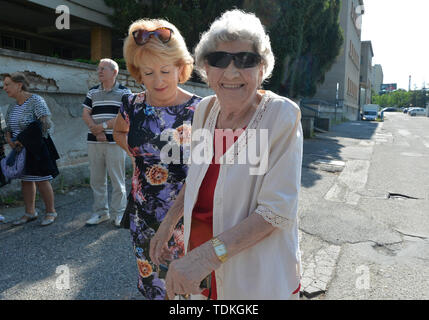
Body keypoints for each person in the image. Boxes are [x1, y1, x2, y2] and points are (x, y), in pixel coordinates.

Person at [150, 10, 303, 300]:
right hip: (202, 270)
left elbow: (275, 211)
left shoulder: (282, 116)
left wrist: (205, 257)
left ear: (262, 68)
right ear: (206, 69)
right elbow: (196, 177)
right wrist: (169, 222)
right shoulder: (206, 110)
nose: (231, 72)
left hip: (253, 275)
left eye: (246, 60)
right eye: (219, 60)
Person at [113, 18, 201, 300]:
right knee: (153, 287)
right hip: (144, 216)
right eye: (148, 73)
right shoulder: (132, 104)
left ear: (181, 67)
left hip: (187, 220)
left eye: (165, 70)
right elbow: (118, 130)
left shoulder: (200, 110)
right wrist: (137, 153)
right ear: (138, 72)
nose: (158, 81)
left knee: (186, 290)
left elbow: (207, 170)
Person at [3, 73, 59, 226]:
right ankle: (30, 212)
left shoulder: (36, 100)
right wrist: (9, 139)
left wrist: (25, 140)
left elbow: (46, 124)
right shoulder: (13, 106)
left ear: (19, 85)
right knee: (26, 181)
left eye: (8, 84)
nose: (4, 87)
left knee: (41, 180)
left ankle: (51, 212)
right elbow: (8, 127)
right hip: (19, 150)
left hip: (37, 148)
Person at [82, 59, 132, 227]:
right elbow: (85, 113)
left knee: (117, 180)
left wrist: (102, 127)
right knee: (96, 179)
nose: (99, 71)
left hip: (115, 142)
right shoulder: (92, 92)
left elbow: (124, 116)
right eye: (99, 69)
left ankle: (119, 214)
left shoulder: (125, 93)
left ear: (114, 72)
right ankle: (101, 213)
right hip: (94, 141)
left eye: (103, 69)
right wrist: (95, 129)